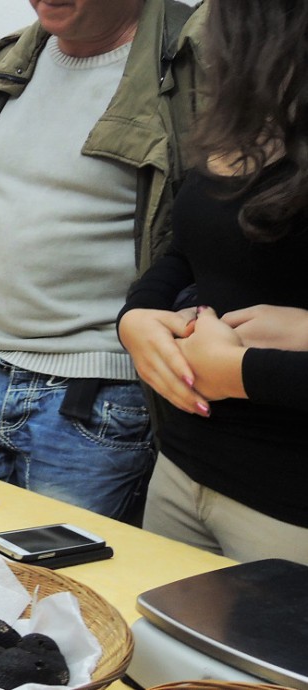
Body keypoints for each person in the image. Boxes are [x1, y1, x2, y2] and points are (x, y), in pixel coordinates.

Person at [0, 0, 200, 521]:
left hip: (98, 390)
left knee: (52, 590)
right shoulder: (7, 65)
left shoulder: (191, 60)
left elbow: (212, 231)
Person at [118, 0, 308, 564]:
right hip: (185, 468)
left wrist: (243, 373)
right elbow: (189, 247)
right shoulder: (250, 119)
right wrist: (137, 316)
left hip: (286, 504)